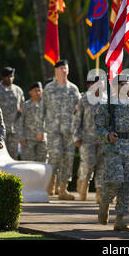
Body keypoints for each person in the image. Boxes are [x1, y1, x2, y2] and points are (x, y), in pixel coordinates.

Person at [96, 74, 129, 232]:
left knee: (127, 185)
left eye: (126, 84)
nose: (124, 87)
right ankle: (105, 202)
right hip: (113, 148)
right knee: (115, 180)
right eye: (121, 84)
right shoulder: (107, 104)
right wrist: (107, 135)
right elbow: (99, 126)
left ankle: (120, 219)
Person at [43, 60, 81, 200]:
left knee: (68, 159)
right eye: (60, 68)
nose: (63, 71)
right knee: (54, 156)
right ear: (56, 71)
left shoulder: (73, 89)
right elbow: (42, 109)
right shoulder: (49, 88)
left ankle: (63, 190)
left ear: (68, 70)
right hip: (53, 130)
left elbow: (79, 111)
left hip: (69, 131)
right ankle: (49, 186)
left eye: (65, 68)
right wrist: (41, 128)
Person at [72, 76, 104, 202]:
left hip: (103, 139)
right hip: (87, 139)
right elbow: (76, 120)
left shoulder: (106, 100)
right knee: (88, 164)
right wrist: (76, 137)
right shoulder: (84, 100)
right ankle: (83, 186)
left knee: (102, 166)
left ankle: (100, 193)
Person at [0, 67, 25, 160]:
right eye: (7, 77)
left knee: (13, 155)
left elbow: (22, 109)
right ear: (2, 77)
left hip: (13, 130)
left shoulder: (18, 90)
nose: (10, 79)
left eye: (12, 76)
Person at [19, 82, 47, 162]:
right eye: (35, 91)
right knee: (28, 164)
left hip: (43, 140)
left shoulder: (46, 105)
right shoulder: (25, 105)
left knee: (42, 164)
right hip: (28, 140)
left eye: (39, 90)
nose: (38, 93)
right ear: (30, 92)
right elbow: (20, 123)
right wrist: (21, 138)